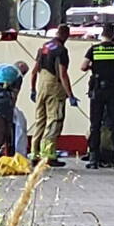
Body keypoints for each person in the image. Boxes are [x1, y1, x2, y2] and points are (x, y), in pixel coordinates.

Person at [82, 24, 114, 169]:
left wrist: (95, 66)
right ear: (112, 35)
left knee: (95, 125)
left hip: (98, 90)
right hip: (113, 90)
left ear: (102, 35)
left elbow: (83, 67)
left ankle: (93, 158)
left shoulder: (94, 49)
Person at [29, 24, 77, 166]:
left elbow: (34, 71)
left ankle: (34, 154)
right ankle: (48, 156)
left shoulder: (44, 47)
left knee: (40, 120)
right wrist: (70, 95)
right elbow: (62, 74)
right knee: (54, 121)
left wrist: (33, 89)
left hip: (41, 85)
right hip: (54, 87)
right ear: (66, 35)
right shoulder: (61, 50)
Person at [0, 61, 30, 156]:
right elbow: (14, 95)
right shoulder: (18, 74)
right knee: (13, 121)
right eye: (24, 72)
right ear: (21, 68)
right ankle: (14, 150)